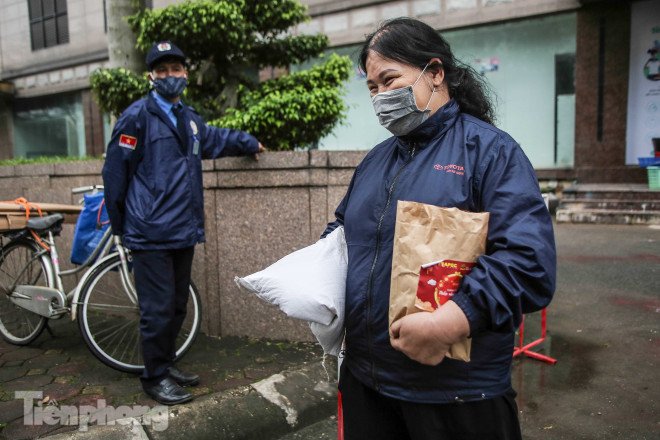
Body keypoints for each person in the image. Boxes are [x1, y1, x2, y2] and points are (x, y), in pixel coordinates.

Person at [323, 18, 556, 439]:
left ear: (435, 73)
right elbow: (342, 231)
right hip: (367, 382)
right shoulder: (375, 161)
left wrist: (455, 320)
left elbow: (529, 264)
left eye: (389, 79)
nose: (380, 97)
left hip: (457, 396)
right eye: (372, 87)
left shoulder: (492, 152)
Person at [102, 41, 265, 405]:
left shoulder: (189, 119)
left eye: (176, 69)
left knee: (176, 306)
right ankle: (154, 377)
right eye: (162, 70)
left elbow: (215, 140)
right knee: (157, 310)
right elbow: (115, 173)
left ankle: (166, 362)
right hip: (149, 231)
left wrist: (249, 142)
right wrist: (121, 226)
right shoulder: (136, 117)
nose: (170, 76)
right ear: (151, 76)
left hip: (183, 229)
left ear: (186, 74)